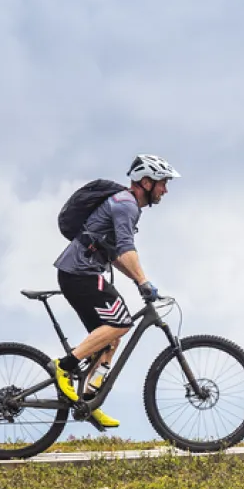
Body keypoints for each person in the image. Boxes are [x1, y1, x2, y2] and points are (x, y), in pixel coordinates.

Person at [50, 155, 180, 429]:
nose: (165, 190)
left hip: (80, 272)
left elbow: (114, 254)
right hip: (79, 273)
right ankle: (64, 366)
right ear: (146, 182)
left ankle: (88, 401)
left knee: (108, 340)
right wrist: (143, 280)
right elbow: (125, 249)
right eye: (162, 184)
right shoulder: (126, 205)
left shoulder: (125, 204)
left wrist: (138, 280)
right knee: (120, 323)